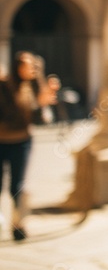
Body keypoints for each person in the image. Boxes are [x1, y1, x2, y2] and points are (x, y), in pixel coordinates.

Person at [0, 52, 57, 241]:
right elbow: (8, 113)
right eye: (26, 65)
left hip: (22, 140)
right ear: (17, 67)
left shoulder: (32, 86)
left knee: (18, 184)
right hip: (2, 140)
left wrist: (44, 101)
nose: (30, 69)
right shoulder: (5, 85)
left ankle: (18, 224)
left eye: (32, 65)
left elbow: (39, 118)